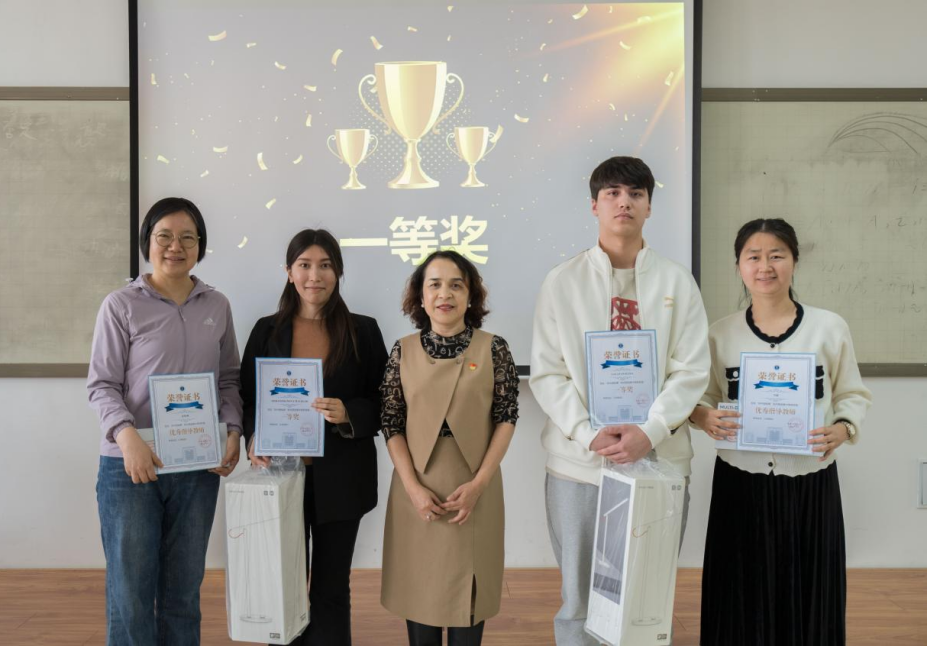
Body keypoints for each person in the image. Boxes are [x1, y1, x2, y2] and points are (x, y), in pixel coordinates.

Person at [530, 156, 711, 645]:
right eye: (612, 193)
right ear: (594, 205)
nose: (623, 202)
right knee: (579, 599)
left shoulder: (677, 282)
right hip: (579, 465)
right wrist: (589, 434)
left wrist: (649, 432)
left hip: (660, 460)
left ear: (650, 206)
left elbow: (692, 370)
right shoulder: (562, 281)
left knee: (646, 596)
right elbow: (548, 373)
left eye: (635, 194)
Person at [690, 218, 872, 646]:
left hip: (810, 480)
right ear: (739, 265)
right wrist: (704, 417)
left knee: (811, 593)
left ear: (794, 261)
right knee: (738, 594)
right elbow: (700, 398)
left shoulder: (829, 327)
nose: (765, 266)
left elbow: (852, 394)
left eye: (777, 255)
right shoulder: (719, 333)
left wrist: (843, 429)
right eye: (753, 256)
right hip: (740, 481)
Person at [88, 196, 243, 646]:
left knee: (183, 593)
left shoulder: (217, 305)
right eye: (165, 237)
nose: (176, 246)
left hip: (197, 467)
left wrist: (233, 431)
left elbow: (228, 379)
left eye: (187, 238)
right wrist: (127, 438)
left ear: (200, 246)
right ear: (147, 243)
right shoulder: (120, 305)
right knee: (130, 594)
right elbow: (102, 385)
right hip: (130, 467)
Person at [241, 229, 387, 646]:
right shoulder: (266, 330)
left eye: (325, 265)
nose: (314, 275)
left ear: (338, 272)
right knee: (281, 585)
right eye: (304, 265)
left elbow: (385, 401)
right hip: (281, 477)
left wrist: (348, 413)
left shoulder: (363, 330)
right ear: (289, 272)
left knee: (330, 587)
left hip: (341, 479)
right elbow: (248, 398)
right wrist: (253, 437)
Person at [380, 250, 520, 646]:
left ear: (471, 295)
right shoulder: (402, 350)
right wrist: (412, 488)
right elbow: (391, 423)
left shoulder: (494, 348)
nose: (445, 294)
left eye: (456, 285)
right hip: (416, 487)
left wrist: (478, 485)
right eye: (435, 285)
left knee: (469, 602)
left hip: (475, 487)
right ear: (421, 297)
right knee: (419, 593)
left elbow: (506, 417)